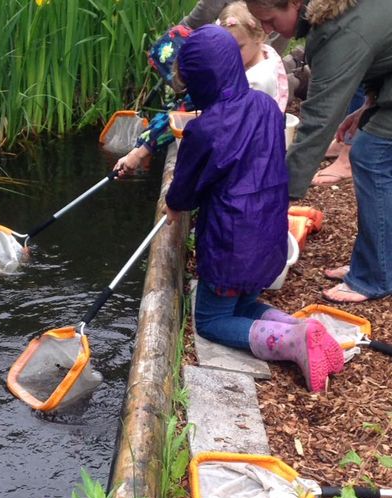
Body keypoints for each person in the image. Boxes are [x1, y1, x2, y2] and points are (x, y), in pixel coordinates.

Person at [164, 25, 344, 392]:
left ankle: (292, 344)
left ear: (200, 81)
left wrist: (172, 203)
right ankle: (300, 328)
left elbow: (183, 195)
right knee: (244, 305)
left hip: (231, 248)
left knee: (213, 320)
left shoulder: (205, 130)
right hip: (270, 242)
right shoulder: (265, 106)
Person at [246, 0, 392, 303]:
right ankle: (377, 263)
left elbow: (318, 122)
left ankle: (374, 277)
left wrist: (280, 193)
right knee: (372, 148)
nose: (268, 30)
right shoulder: (333, 14)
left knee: (370, 155)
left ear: (295, 4)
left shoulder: (338, 33)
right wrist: (370, 106)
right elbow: (383, 51)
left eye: (272, 21)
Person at [115, 3, 288, 175]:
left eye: (238, 48)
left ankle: (143, 148)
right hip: (244, 141)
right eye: (227, 49)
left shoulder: (252, 83)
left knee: (183, 101)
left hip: (243, 159)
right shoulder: (264, 55)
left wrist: (139, 153)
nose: (230, 56)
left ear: (258, 37)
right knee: (171, 43)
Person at [217, 1, 288, 112]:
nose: (231, 54)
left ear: (258, 36)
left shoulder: (257, 81)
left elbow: (236, 115)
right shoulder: (265, 52)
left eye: (239, 47)